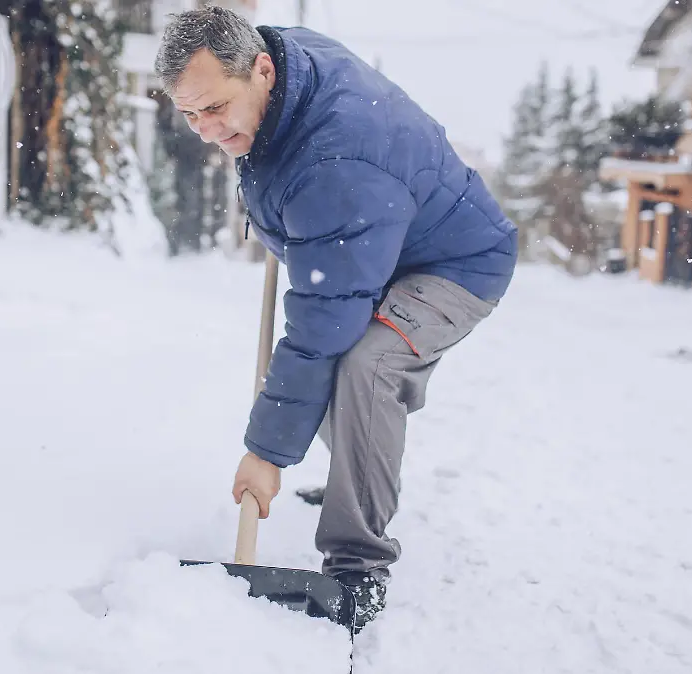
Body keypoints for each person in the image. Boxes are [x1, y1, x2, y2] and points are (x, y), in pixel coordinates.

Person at [153, 7, 517, 630]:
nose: (206, 130)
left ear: (262, 70)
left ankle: (357, 569)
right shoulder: (280, 72)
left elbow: (325, 329)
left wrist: (265, 454)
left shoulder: (338, 163)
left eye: (215, 109)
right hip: (378, 241)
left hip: (456, 262)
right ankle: (358, 468)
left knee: (363, 362)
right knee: (326, 365)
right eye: (190, 114)